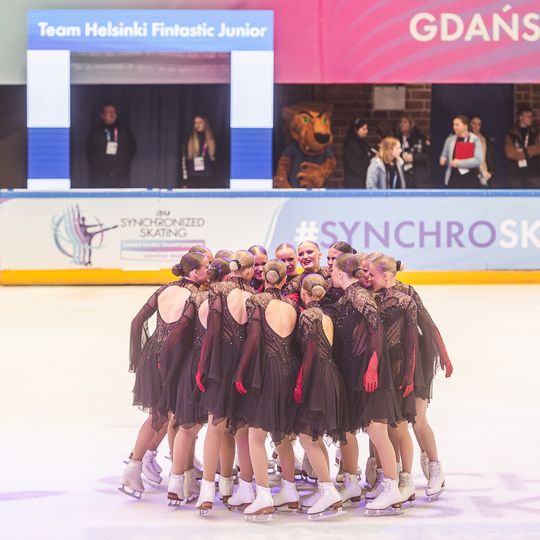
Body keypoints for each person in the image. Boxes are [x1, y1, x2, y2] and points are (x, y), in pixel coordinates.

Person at [120, 251, 209, 498]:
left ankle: (134, 467)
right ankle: (180, 477)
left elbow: (137, 321)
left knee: (157, 416)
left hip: (151, 355)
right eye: (207, 266)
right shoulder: (195, 296)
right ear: (195, 272)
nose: (210, 269)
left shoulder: (165, 289)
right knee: (175, 418)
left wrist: (138, 356)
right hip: (172, 360)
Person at [331, 253, 403, 515]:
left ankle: (392, 487)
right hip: (354, 370)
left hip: (369, 369)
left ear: (341, 272)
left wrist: (372, 366)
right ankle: (351, 482)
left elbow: (376, 329)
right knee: (349, 429)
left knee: (376, 430)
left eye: (333, 270)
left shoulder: (360, 296)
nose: (330, 273)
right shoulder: (347, 296)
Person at [232, 260, 300, 520]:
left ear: (265, 278)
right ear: (283, 281)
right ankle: (290, 491)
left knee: (256, 435)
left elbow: (254, 338)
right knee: (281, 433)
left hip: (265, 371)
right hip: (288, 369)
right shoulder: (292, 305)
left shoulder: (258, 302)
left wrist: (240, 370)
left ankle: (262, 495)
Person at [161, 257, 231, 506]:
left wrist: (167, 363)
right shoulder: (232, 299)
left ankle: (177, 482)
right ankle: (223, 484)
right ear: (228, 277)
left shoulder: (198, 299)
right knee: (218, 427)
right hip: (217, 367)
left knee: (186, 426)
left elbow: (178, 332)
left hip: (192, 365)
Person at [194, 250, 255, 514]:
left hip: (220, 363)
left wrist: (202, 366)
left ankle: (208, 490)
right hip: (247, 366)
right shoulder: (254, 296)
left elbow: (212, 332)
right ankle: (243, 488)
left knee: (215, 426)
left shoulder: (219, 293)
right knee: (242, 430)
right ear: (250, 271)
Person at [292, 274, 349, 519]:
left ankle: (327, 490)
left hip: (316, 377)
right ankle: (326, 487)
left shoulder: (308, 316)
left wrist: (300, 382)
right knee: (314, 437)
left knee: (307, 438)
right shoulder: (325, 315)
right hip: (330, 375)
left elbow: (310, 352)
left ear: (304, 294)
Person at [367, 255, 419, 507]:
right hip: (381, 365)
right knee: (384, 425)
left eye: (372, 274)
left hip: (398, 366)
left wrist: (409, 374)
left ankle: (407, 479)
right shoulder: (373, 298)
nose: (368, 279)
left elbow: (412, 340)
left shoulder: (405, 301)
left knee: (399, 426)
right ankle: (391, 476)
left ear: (385, 275)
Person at [86, 103, 137, 188]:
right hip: (101, 176)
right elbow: (89, 151)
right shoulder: (96, 131)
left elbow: (133, 149)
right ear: (102, 115)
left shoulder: (124, 130)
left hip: (121, 176)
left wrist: (124, 163)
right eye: (109, 112)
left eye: (114, 112)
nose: (112, 114)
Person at [439, 115, 483, 189]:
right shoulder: (449, 140)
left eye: (457, 125)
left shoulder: (475, 139)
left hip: (471, 178)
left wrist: (459, 163)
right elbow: (444, 156)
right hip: (454, 178)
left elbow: (478, 160)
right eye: (453, 125)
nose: (454, 127)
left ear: (465, 126)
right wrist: (443, 160)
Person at [505, 105, 540, 189]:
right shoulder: (511, 133)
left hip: (533, 173)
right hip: (515, 174)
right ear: (520, 117)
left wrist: (523, 152)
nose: (530, 118)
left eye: (531, 116)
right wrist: (529, 153)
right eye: (527, 116)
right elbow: (510, 153)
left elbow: (538, 148)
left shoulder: (535, 132)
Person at [394, 116, 431, 189]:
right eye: (400, 122)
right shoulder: (396, 138)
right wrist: (401, 156)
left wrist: (413, 157)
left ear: (410, 124)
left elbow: (428, 155)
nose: (402, 124)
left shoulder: (420, 138)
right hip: (402, 174)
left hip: (418, 174)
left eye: (405, 122)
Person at [180, 115, 217, 188]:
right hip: (193, 177)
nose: (197, 125)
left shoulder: (213, 140)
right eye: (195, 123)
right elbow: (184, 161)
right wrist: (184, 181)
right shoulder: (189, 140)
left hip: (209, 178)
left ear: (205, 123)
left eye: (200, 122)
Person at [343, 118, 376, 189]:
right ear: (356, 130)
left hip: (363, 179)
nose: (366, 131)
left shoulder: (363, 143)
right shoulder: (350, 145)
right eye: (364, 129)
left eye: (366, 129)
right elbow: (355, 164)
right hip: (355, 182)